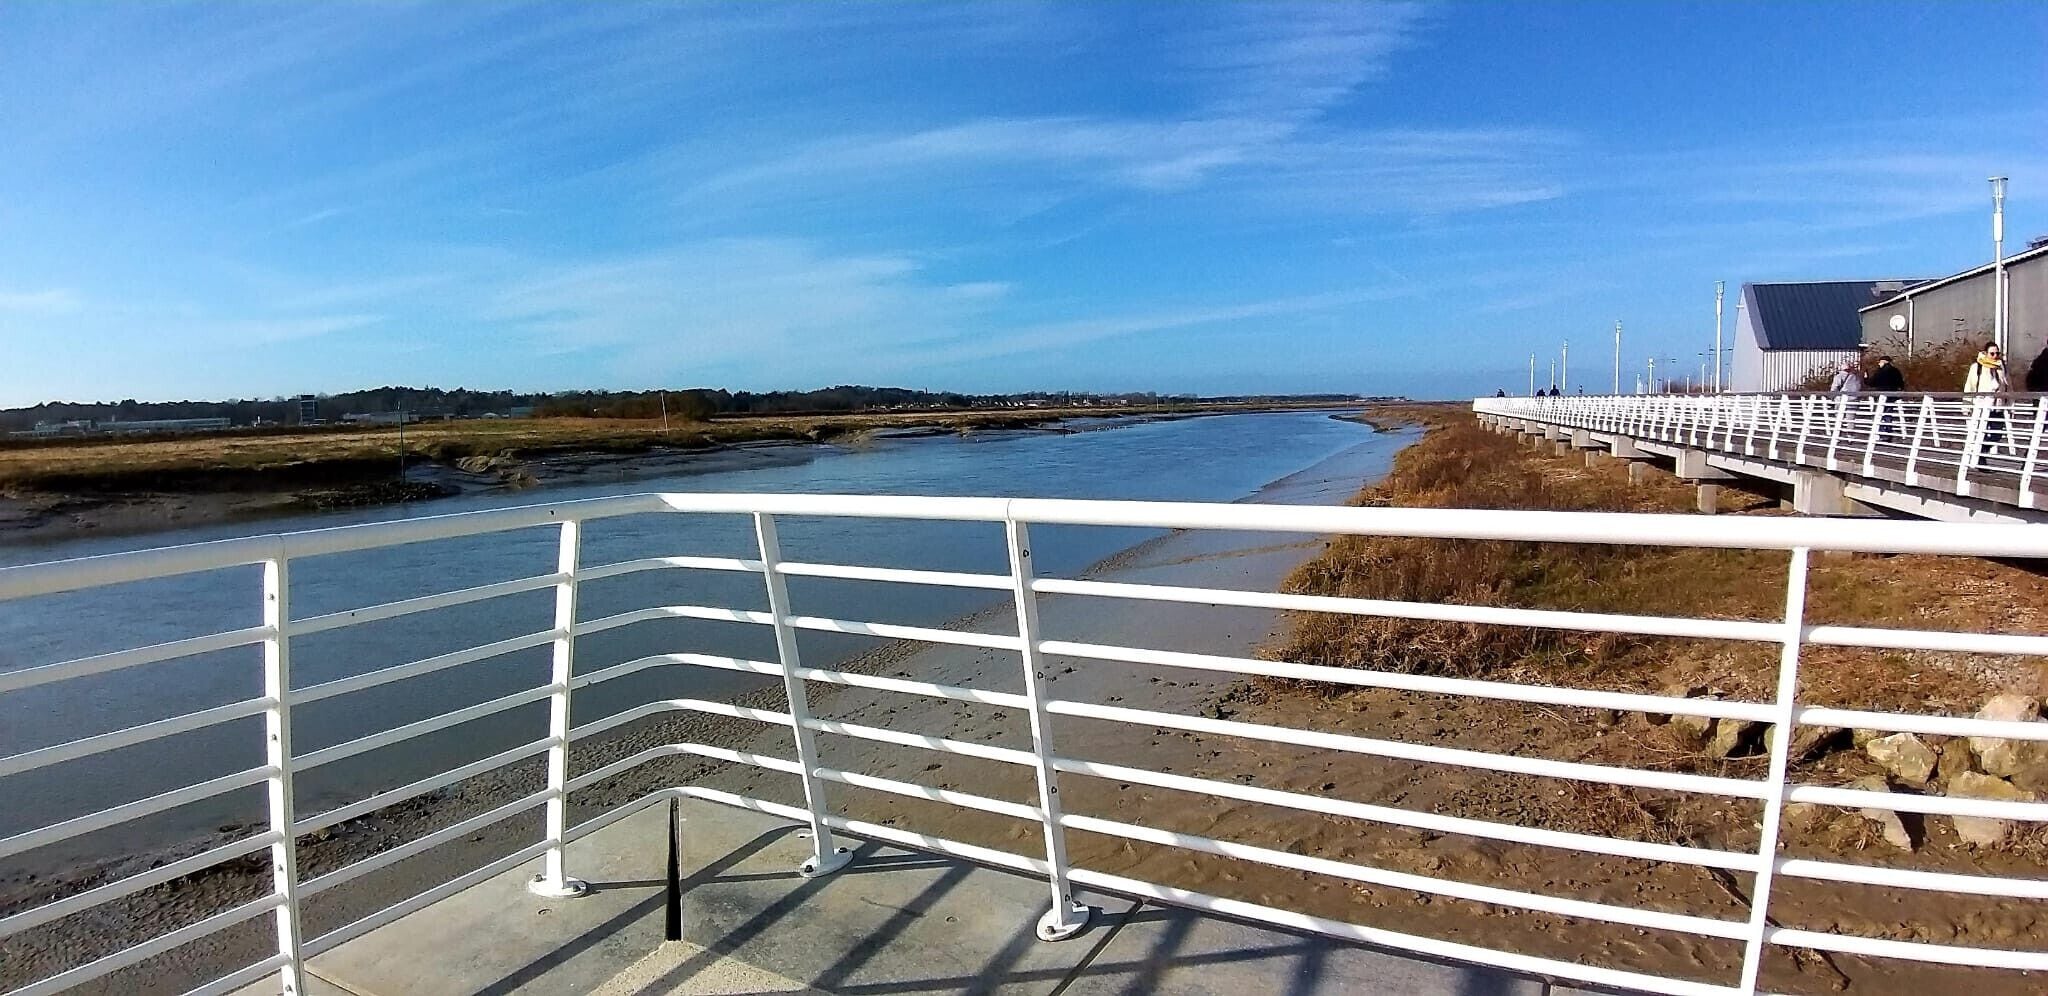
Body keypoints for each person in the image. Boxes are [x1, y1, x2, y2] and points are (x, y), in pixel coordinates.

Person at [1964, 342, 2010, 461]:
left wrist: (2010, 404)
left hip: (1998, 405)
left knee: (1997, 433)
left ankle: (1982, 450)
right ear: (1985, 353)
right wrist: (1966, 405)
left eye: (1997, 353)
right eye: (1992, 353)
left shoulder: (2001, 366)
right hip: (1982, 405)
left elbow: (2008, 386)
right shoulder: (1977, 367)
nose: (1995, 356)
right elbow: (1969, 387)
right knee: (1981, 432)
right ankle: (1980, 460)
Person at [1866, 354, 1905, 441]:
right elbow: (1901, 383)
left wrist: (1866, 378)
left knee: (1879, 414)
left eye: (1879, 362)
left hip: (1881, 396)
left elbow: (1872, 383)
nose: (1878, 364)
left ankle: (1881, 433)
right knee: (1888, 415)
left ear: (1883, 362)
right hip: (1891, 396)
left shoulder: (1880, 372)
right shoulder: (1896, 371)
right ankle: (1888, 433)